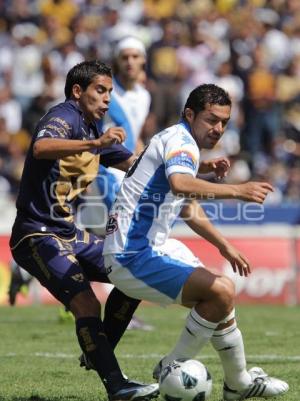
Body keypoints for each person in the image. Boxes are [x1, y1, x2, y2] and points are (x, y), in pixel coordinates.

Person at [102, 84, 289, 400]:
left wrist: (222, 244)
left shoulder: (175, 140)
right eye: (211, 120)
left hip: (147, 246)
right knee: (221, 291)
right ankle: (172, 366)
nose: (218, 129)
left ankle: (238, 383)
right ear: (190, 114)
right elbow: (180, 184)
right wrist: (237, 190)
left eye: (224, 122)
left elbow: (186, 205)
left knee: (221, 299)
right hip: (132, 253)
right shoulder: (182, 144)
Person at [9, 60, 159, 401]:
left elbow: (136, 164)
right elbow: (41, 148)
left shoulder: (93, 130)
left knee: (132, 272)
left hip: (68, 232)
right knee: (86, 303)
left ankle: (97, 349)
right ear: (78, 91)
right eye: (100, 90)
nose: (107, 98)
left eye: (109, 91)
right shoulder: (64, 117)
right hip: (36, 234)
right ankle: (116, 385)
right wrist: (95, 146)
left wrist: (191, 165)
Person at [80, 36, 152, 332]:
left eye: (136, 56)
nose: (131, 62)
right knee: (120, 238)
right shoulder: (106, 94)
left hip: (129, 173)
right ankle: (122, 310)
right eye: (125, 57)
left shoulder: (144, 96)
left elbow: (135, 136)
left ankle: (26, 272)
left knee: (96, 237)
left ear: (143, 61)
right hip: (106, 174)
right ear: (117, 61)